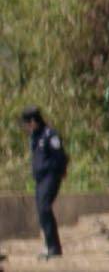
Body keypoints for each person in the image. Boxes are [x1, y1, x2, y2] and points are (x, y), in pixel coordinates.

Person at [22, 106, 64, 258]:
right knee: (41, 210)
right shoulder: (34, 136)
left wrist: (57, 173)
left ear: (33, 121)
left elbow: (59, 156)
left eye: (27, 123)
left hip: (51, 176)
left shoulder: (49, 135)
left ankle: (54, 247)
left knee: (45, 207)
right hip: (40, 179)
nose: (26, 127)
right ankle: (49, 244)